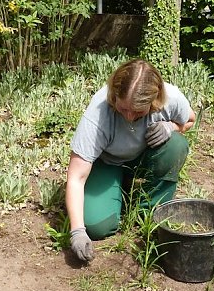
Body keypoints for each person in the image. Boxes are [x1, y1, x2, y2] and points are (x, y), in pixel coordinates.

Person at [66, 59, 196, 262]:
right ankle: (118, 186)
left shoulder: (170, 98)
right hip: (107, 163)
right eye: (124, 108)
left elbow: (189, 119)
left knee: (176, 145)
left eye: (138, 111)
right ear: (114, 95)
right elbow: (76, 176)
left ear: (154, 100)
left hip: (145, 156)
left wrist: (171, 127)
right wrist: (77, 231)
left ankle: (151, 209)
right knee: (97, 225)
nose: (129, 116)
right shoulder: (98, 114)